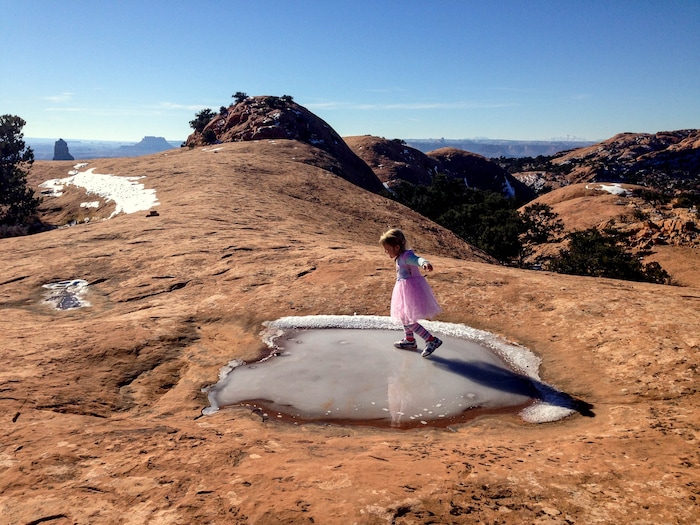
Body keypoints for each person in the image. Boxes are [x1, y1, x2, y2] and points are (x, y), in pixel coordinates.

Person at [379, 228, 443, 357]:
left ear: (396, 247)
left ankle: (431, 340)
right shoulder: (399, 257)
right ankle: (409, 340)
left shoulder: (406, 256)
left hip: (410, 289)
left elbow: (417, 259)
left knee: (408, 319)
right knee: (403, 316)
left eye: (387, 249)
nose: (386, 252)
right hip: (402, 289)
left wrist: (424, 263)